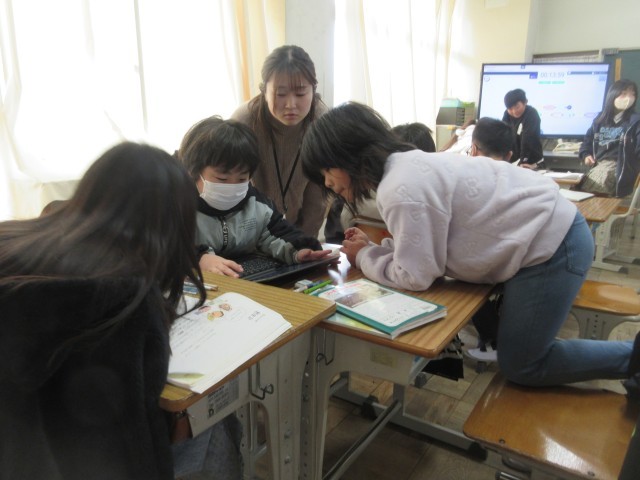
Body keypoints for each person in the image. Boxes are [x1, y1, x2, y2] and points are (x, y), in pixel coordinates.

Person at [300, 101, 638, 391]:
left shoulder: (398, 187)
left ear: (348, 152)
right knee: (523, 346)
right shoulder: (408, 165)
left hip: (551, 246)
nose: (328, 183)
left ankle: (633, 358)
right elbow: (425, 245)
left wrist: (365, 255)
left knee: (522, 363)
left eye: (327, 171)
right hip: (550, 233)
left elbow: (415, 276)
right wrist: (380, 249)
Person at [0, 142, 206, 479]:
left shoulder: (12, 238)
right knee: (210, 425)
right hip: (65, 461)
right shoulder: (125, 302)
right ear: (172, 223)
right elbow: (132, 441)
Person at [176, 115, 331, 279]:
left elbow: (280, 233)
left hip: (242, 283)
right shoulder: (175, 205)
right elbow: (165, 246)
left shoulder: (256, 205)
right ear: (193, 172)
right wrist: (199, 258)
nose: (232, 186)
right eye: (222, 179)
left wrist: (300, 251)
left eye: (242, 179)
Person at [232, 45, 328, 238]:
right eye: (281, 94)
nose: (291, 104)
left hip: (299, 229)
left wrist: (302, 242)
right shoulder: (244, 121)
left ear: (313, 90)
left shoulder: (322, 122)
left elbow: (318, 198)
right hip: (246, 231)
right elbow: (231, 188)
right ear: (264, 91)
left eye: (300, 94)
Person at [578, 79, 640, 197]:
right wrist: (586, 155)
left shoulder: (635, 121)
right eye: (624, 94)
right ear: (613, 95)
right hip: (599, 165)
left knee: (600, 182)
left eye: (633, 94)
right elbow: (586, 143)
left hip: (620, 167)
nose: (629, 98)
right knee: (577, 187)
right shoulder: (600, 119)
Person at [502, 88, 543, 168]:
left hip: (531, 161)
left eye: (517, 107)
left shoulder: (532, 114)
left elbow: (527, 139)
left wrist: (523, 161)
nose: (514, 111)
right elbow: (503, 136)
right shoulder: (506, 114)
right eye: (510, 109)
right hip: (513, 160)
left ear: (525, 102)